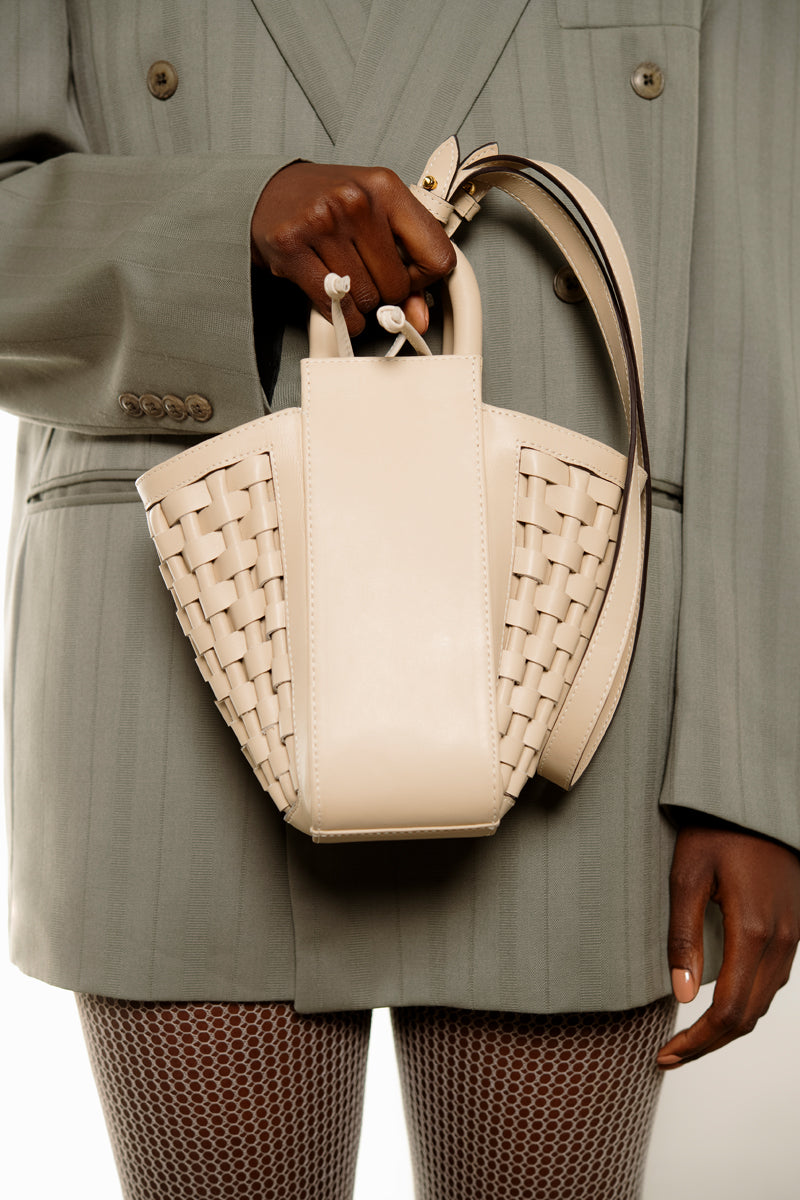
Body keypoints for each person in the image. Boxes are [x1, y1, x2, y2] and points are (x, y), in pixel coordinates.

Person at [2, 2, 799, 1198]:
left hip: (573, 641)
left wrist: (749, 768)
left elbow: (764, 292)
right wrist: (222, 221)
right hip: (184, 629)